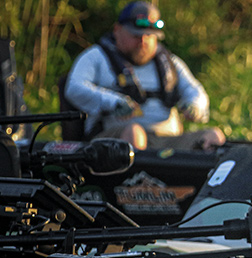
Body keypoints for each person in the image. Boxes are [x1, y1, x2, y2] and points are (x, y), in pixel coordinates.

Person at [63, 1, 224, 151]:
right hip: (115, 141)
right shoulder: (96, 57)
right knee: (135, 134)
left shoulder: (171, 63)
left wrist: (194, 107)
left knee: (213, 137)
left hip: (166, 140)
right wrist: (113, 102)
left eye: (149, 36)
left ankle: (181, 171)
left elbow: (196, 92)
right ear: (117, 30)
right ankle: (139, 172)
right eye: (136, 36)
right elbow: (74, 88)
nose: (143, 41)